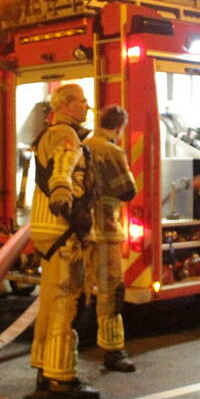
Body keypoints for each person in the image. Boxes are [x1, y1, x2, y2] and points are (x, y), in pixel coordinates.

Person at [26, 83, 99, 399]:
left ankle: (45, 368)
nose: (87, 107)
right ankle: (61, 379)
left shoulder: (47, 134)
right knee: (66, 304)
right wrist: (63, 193)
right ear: (67, 105)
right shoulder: (66, 136)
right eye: (83, 102)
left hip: (48, 232)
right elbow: (63, 166)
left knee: (49, 303)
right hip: (64, 233)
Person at [85, 105, 138, 372]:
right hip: (104, 230)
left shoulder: (84, 145)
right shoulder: (111, 150)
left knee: (78, 289)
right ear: (119, 128)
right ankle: (113, 349)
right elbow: (127, 190)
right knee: (111, 290)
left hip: (82, 232)